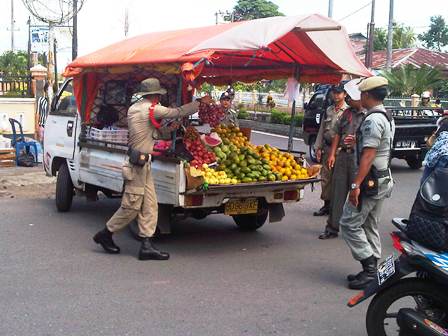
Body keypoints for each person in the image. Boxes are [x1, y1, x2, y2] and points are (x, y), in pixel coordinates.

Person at [93, 78, 213, 260]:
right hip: (137, 165)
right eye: (158, 95)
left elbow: (150, 133)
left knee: (150, 204)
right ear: (155, 95)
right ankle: (106, 233)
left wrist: (168, 131)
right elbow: (177, 112)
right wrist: (198, 102)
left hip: (144, 163)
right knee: (131, 206)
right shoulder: (150, 109)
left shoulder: (136, 108)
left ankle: (146, 245)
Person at [340, 76, 395, 290]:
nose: (359, 97)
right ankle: (373, 269)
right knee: (369, 223)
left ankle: (370, 270)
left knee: (349, 223)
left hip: (371, 181)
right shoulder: (386, 115)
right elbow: (381, 146)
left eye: (361, 94)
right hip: (383, 178)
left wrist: (355, 186)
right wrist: (357, 140)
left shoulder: (372, 119)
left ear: (367, 95)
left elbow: (369, 156)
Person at [319, 79, 365, 239]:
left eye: (351, 98)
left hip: (358, 160)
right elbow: (337, 133)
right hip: (343, 156)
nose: (349, 100)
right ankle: (332, 228)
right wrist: (332, 154)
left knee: (358, 195)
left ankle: (357, 230)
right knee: (337, 193)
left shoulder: (370, 115)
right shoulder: (347, 113)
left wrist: (357, 141)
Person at [313, 83, 348, 216]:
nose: (336, 95)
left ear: (344, 94)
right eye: (334, 93)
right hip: (327, 148)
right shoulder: (329, 110)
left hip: (340, 150)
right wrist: (318, 147)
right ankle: (326, 205)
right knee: (326, 178)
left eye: (339, 93)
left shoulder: (348, 112)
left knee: (338, 179)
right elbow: (322, 129)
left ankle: (336, 207)